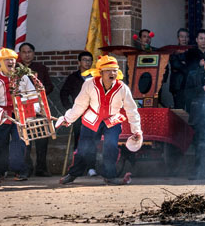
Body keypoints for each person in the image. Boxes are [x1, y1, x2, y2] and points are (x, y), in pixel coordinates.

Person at [56, 56, 142, 185]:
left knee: (111, 146)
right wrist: (68, 119)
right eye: (108, 70)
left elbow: (131, 110)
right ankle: (73, 174)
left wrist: (136, 130)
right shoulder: (89, 83)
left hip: (112, 120)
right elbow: (80, 104)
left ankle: (110, 175)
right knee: (84, 148)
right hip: (92, 119)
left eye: (114, 70)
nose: (112, 73)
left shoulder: (122, 87)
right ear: (100, 72)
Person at [0, 48, 33, 180]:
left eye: (13, 59)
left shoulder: (23, 76)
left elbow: (32, 94)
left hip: (19, 114)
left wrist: (29, 110)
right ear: (1, 62)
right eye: (7, 59)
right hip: (1, 115)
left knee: (20, 142)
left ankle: (20, 171)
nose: (10, 62)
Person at [17, 42, 55, 176]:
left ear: (33, 53)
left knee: (42, 139)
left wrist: (40, 95)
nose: (27, 55)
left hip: (39, 108)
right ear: (20, 54)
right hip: (22, 110)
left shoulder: (41, 68)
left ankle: (41, 169)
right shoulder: (15, 69)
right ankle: (26, 169)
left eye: (29, 52)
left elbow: (50, 86)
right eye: (24, 52)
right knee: (24, 140)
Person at [58, 51, 94, 173]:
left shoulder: (96, 77)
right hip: (78, 113)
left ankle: (91, 167)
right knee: (79, 139)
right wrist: (70, 108)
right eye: (84, 60)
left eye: (89, 60)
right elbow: (63, 93)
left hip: (93, 113)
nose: (87, 62)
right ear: (79, 62)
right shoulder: (73, 77)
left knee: (93, 139)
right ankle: (78, 167)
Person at [166, 28, 192, 109]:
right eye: (182, 37)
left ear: (189, 38)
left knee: (190, 110)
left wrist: (184, 64)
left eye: (186, 37)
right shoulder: (173, 51)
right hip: (177, 84)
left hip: (190, 85)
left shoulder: (192, 51)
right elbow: (176, 65)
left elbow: (194, 65)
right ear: (178, 38)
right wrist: (188, 68)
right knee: (179, 110)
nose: (184, 39)